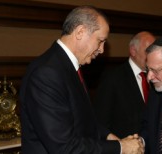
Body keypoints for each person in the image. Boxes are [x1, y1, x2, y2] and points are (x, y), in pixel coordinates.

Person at [20, 5, 143, 154]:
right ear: (80, 32)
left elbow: (82, 119)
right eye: (100, 41)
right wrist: (121, 148)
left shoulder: (67, 66)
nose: (102, 49)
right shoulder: (47, 73)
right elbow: (64, 148)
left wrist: (108, 136)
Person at [93, 31, 155, 138]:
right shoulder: (113, 78)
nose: (153, 56)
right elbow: (100, 123)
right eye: (149, 51)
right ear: (133, 51)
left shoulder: (157, 77)